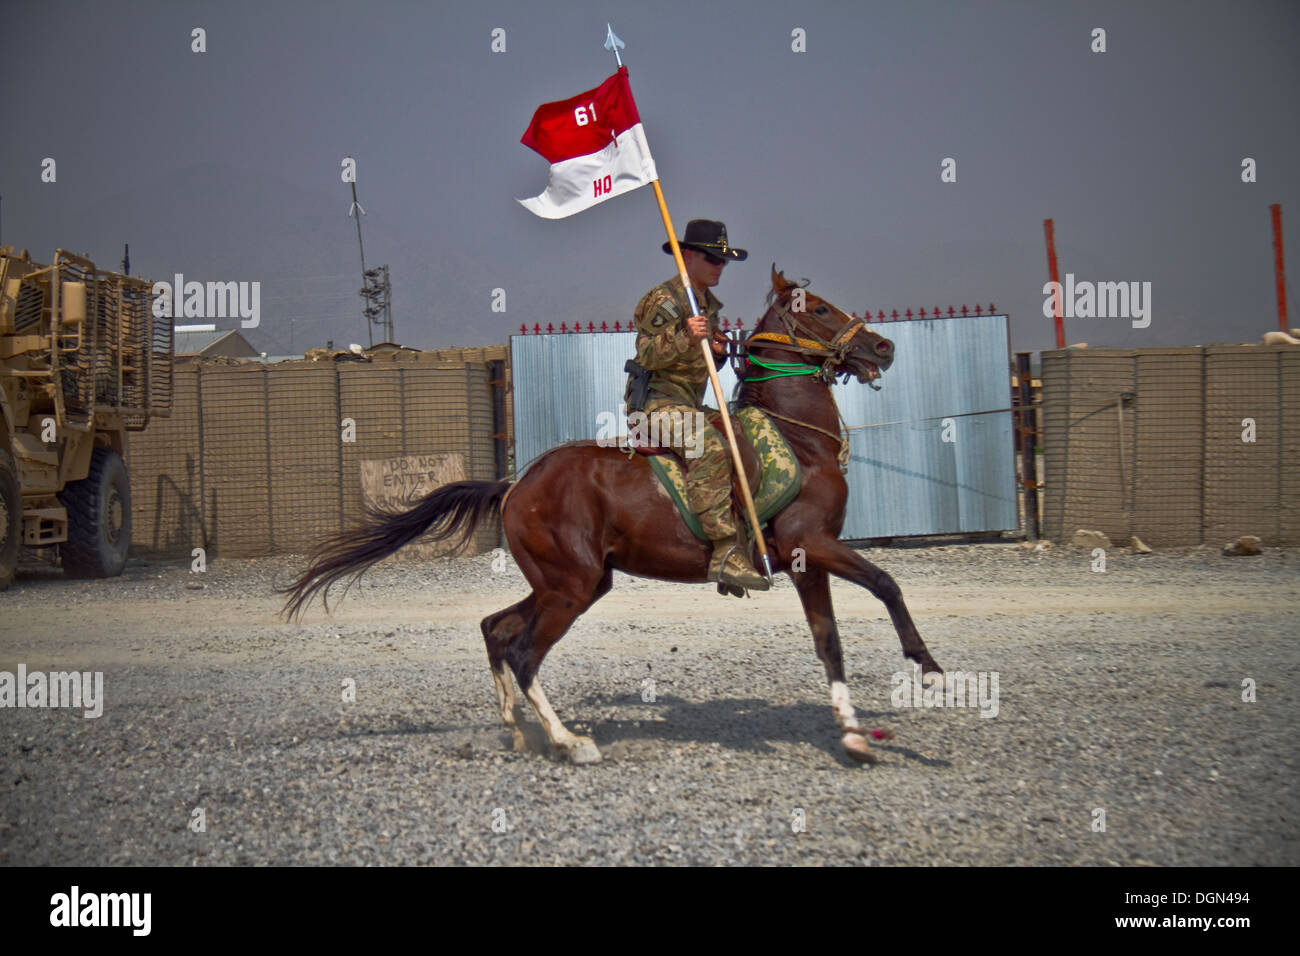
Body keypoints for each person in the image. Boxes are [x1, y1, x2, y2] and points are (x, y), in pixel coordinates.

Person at [623, 219, 769, 592]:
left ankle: (744, 537)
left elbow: (695, 360)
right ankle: (724, 552)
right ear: (686, 255)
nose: (719, 266)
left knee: (741, 436)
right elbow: (647, 355)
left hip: (688, 402)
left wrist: (716, 352)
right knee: (710, 448)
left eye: (723, 261)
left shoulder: (705, 303)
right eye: (711, 258)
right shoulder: (665, 300)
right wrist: (686, 334)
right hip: (657, 404)